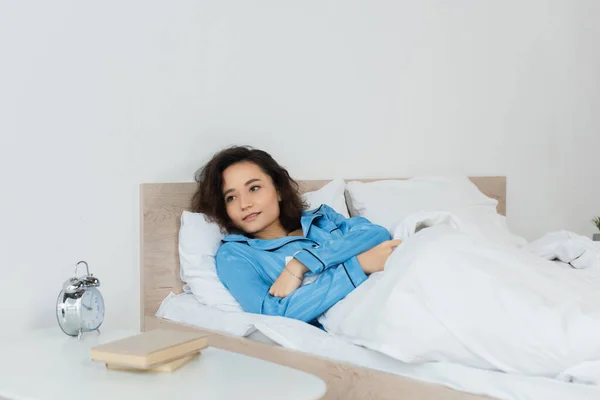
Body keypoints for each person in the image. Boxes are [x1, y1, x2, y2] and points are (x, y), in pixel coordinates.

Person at [192, 145, 401, 324]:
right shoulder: (235, 255)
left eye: (254, 188)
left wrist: (300, 264)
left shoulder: (322, 218)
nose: (244, 204)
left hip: (394, 286)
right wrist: (357, 267)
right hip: (364, 316)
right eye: (231, 198)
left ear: (279, 190)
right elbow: (272, 314)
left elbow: (376, 234)